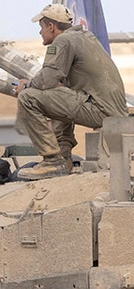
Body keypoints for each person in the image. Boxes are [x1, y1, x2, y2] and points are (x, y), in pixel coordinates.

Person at [14, 4, 127, 181]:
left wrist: (26, 86)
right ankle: (63, 156)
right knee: (58, 94)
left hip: (100, 110)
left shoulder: (63, 41)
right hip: (111, 110)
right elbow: (56, 84)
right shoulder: (85, 36)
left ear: (51, 27)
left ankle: (52, 160)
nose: (40, 33)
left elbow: (47, 79)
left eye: (41, 28)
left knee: (28, 98)